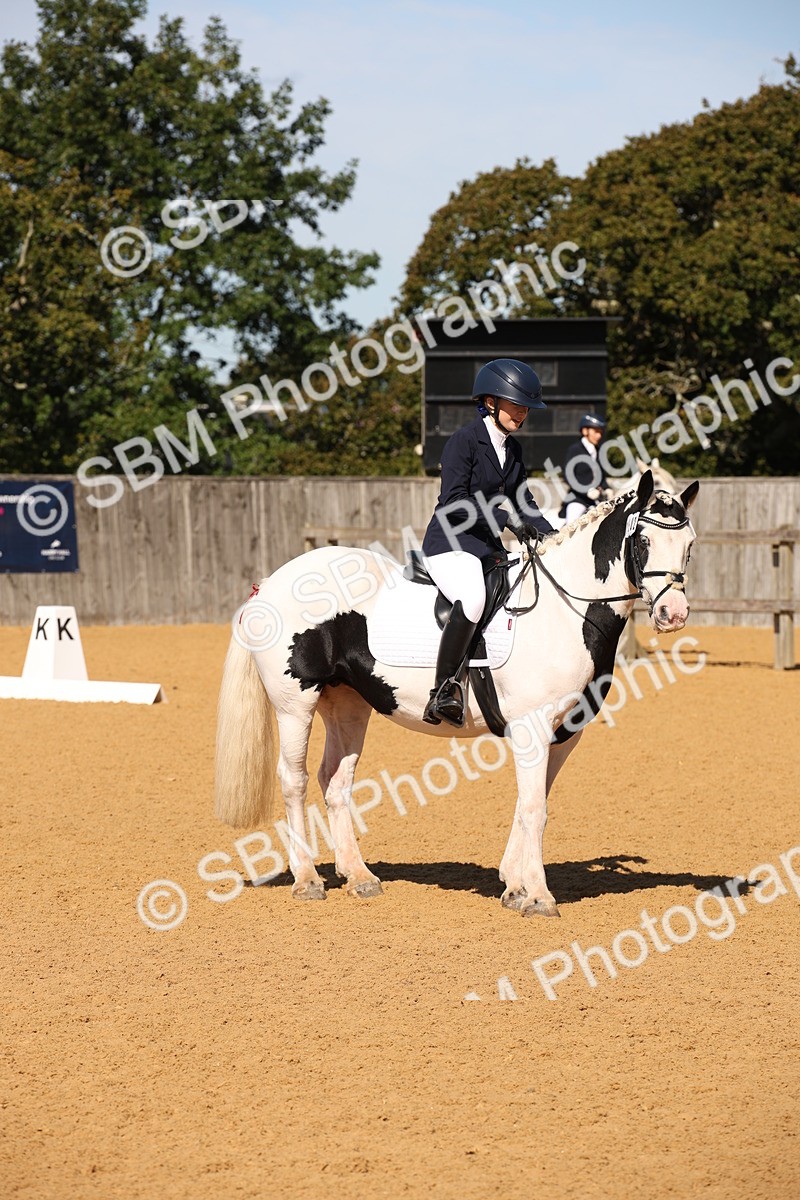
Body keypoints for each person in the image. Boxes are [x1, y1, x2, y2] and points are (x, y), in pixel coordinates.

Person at [420, 358, 554, 728]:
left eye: (526, 407)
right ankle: (443, 689)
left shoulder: (514, 451)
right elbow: (452, 504)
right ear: (491, 402)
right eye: (516, 405)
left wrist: (551, 536)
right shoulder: (463, 442)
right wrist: (506, 519)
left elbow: (525, 504)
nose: (522, 413)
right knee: (474, 597)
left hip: (484, 547)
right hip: (448, 543)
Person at [559, 414, 609, 524]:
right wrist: (586, 490)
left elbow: (601, 476)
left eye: (600, 432)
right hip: (578, 499)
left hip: (597, 500)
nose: (599, 436)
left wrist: (607, 488)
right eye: (596, 431)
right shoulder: (575, 450)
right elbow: (568, 475)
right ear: (585, 431)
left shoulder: (598, 451)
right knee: (572, 522)